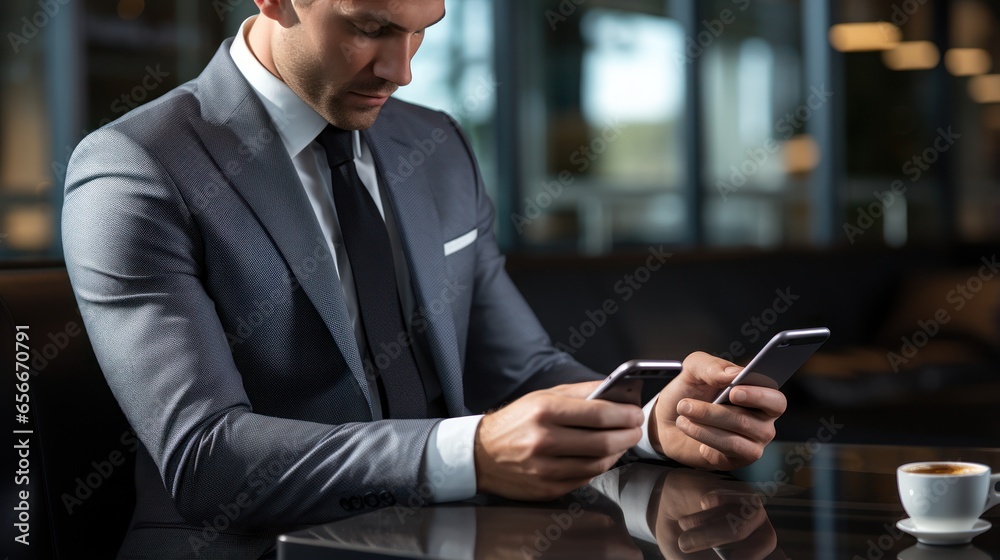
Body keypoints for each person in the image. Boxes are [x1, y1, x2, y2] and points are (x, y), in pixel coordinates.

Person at [62, 0, 787, 557]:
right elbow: (205, 457)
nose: (400, 69)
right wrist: (470, 453)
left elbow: (517, 369)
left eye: (423, 29)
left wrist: (652, 421)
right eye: (370, 27)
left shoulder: (434, 143)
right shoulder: (136, 168)